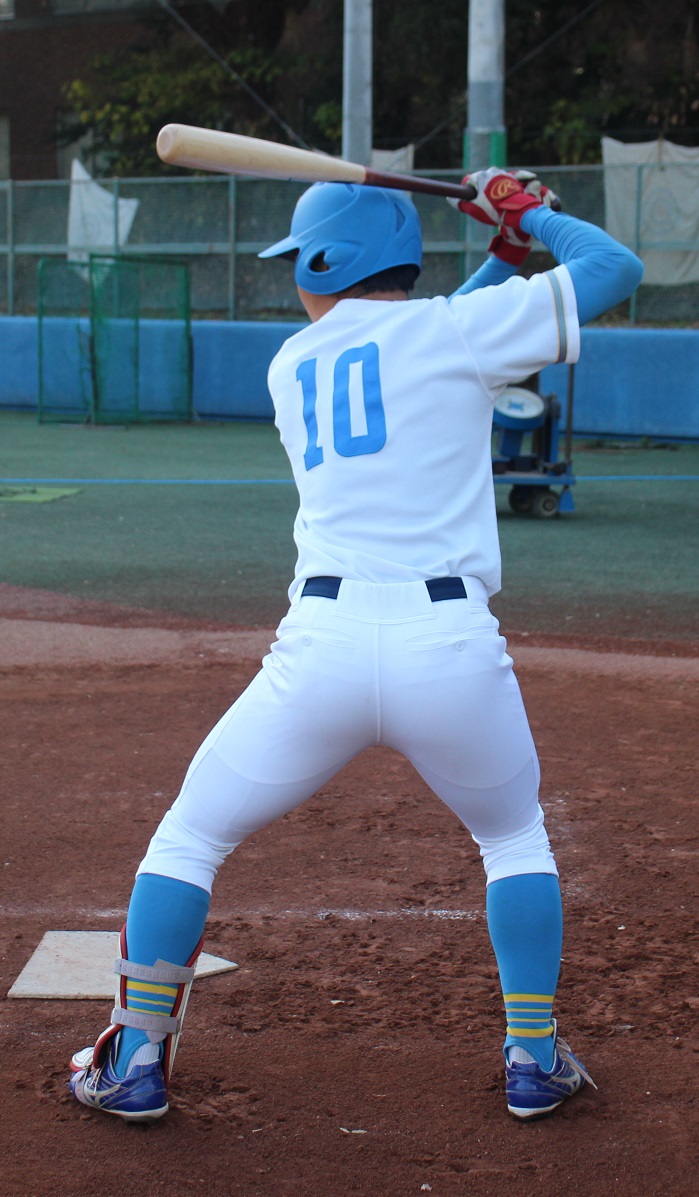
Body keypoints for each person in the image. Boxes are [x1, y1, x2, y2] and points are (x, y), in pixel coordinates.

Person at [68, 167, 643, 1123]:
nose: (295, 274)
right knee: (511, 838)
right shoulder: (452, 337)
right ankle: (533, 1057)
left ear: (331, 261)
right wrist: (526, 214)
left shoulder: (293, 360)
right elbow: (609, 267)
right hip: (450, 646)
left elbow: (421, 341)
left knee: (192, 835)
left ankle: (133, 1060)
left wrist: (501, 246)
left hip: (321, 651)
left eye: (302, 259)